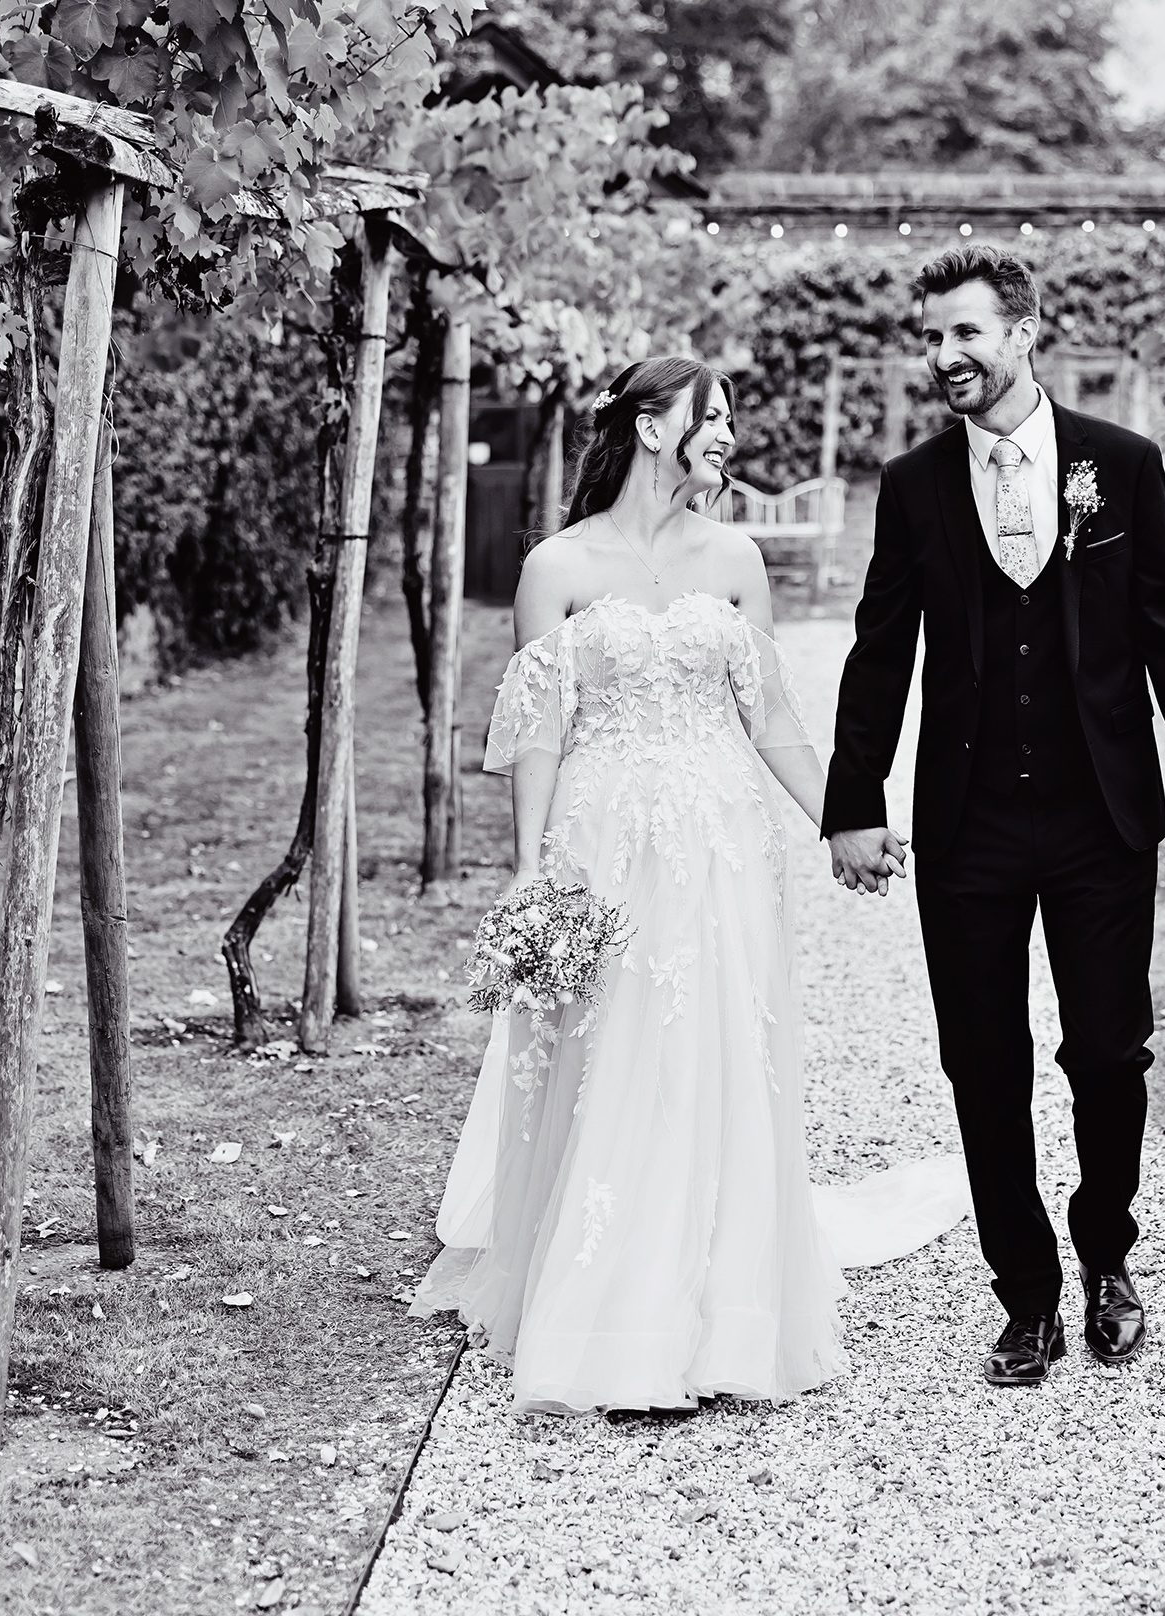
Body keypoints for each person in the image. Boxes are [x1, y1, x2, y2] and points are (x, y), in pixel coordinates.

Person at [413, 355, 966, 1416]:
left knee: (712, 1051)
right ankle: (607, 1311)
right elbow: (539, 732)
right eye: (712, 418)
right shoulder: (557, 568)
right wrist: (531, 866)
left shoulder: (735, 557)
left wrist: (844, 819)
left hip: (720, 845)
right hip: (602, 840)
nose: (728, 436)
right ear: (654, 427)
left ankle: (715, 1303)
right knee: (611, 1056)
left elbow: (769, 718)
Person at [823, 244, 1165, 1387]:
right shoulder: (912, 487)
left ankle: (1107, 1253)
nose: (944, 355)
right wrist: (852, 801)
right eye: (932, 337)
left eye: (965, 332)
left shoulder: (1121, 464)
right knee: (982, 1063)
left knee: (1108, 1054)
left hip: (1102, 816)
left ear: (1023, 332)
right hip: (967, 824)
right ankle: (1028, 1294)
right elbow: (879, 650)